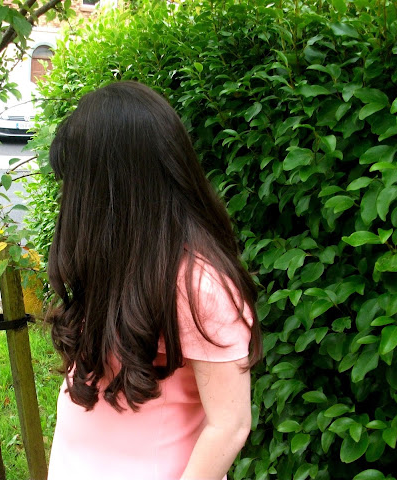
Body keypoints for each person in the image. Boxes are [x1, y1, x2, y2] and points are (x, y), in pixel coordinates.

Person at [46, 81, 262, 480]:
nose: (68, 199)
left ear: (112, 192)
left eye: (74, 184)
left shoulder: (199, 287)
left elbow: (230, 425)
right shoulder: (116, 260)